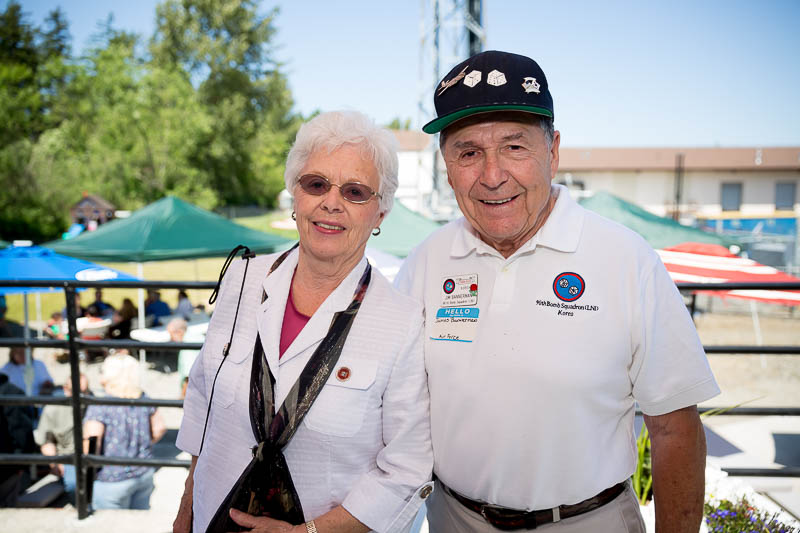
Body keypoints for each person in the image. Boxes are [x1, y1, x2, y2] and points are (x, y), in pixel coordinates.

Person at [394, 50, 721, 533]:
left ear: (553, 151)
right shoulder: (425, 262)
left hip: (590, 522)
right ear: (447, 165)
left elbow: (675, 429)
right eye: (468, 152)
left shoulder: (626, 259)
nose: (492, 175)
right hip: (454, 520)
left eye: (514, 146)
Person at [174, 111, 432, 533]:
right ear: (295, 193)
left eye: (355, 192)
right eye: (316, 184)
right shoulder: (241, 279)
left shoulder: (401, 322)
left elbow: (406, 470)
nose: (331, 202)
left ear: (380, 214)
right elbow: (203, 401)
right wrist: (187, 508)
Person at [83, 353, 167, 510]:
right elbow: (159, 428)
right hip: (143, 472)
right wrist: (141, 444)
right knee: (137, 520)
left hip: (111, 479)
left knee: (108, 522)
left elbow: (93, 443)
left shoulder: (100, 405)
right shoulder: (144, 398)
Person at [33, 373, 89, 503]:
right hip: (67, 457)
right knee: (74, 484)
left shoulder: (93, 404)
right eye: (76, 392)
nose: (81, 397)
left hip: (91, 455)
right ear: (65, 389)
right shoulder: (53, 409)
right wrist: (55, 463)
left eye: (84, 392)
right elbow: (46, 441)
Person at [0, 373, 36, 507]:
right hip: (7, 468)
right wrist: (20, 463)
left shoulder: (12, 392)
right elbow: (22, 433)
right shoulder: (12, 392)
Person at [166, 317, 200, 398]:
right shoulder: (194, 336)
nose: (171, 339)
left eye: (171, 335)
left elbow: (188, 377)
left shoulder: (187, 346)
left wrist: (182, 397)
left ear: (179, 332)